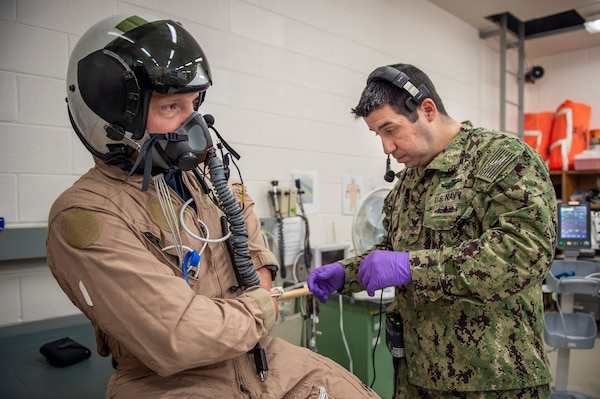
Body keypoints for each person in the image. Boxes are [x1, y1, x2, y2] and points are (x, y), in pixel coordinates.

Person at [46, 13, 380, 398]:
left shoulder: (212, 183)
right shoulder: (87, 215)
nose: (196, 126)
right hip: (174, 382)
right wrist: (259, 310)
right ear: (112, 119)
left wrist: (247, 310)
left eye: (194, 105)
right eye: (172, 107)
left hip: (261, 359)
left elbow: (257, 261)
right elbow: (180, 335)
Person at [308, 63, 557, 398]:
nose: (386, 148)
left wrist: (413, 267)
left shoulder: (501, 158)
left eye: (390, 129)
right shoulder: (409, 180)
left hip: (494, 381)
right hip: (416, 376)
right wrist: (346, 272)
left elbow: (526, 253)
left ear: (426, 110)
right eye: (378, 135)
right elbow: (394, 248)